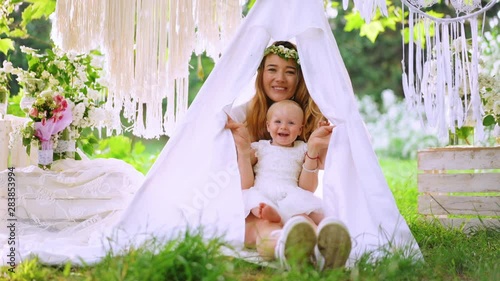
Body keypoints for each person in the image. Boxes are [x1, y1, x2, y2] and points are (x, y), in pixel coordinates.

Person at [226, 41, 352, 270]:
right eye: (272, 69)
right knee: (266, 228)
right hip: (262, 204)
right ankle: (284, 248)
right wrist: (244, 153)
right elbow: (244, 181)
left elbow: (307, 187)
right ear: (260, 73)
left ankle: (323, 252)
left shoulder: (311, 121)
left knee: (302, 222)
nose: (280, 78)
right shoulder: (244, 117)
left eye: (290, 71)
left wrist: (313, 150)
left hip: (294, 199)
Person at [242, 99, 325, 225]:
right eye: (277, 121)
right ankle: (272, 215)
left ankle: (319, 232)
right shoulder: (260, 147)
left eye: (291, 123)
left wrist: (321, 135)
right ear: (268, 126)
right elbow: (243, 164)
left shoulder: (302, 148)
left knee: (308, 217)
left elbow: (322, 161)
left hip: (291, 195)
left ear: (300, 130)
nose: (284, 127)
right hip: (263, 192)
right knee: (254, 204)